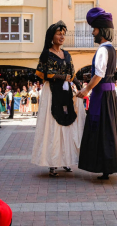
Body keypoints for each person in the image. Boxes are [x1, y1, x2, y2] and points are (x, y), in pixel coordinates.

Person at [31, 20, 85, 177]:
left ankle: (65, 160)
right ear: (51, 36)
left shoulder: (67, 55)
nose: (62, 36)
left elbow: (72, 74)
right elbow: (44, 74)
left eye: (63, 34)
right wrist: (63, 77)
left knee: (66, 126)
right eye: (59, 33)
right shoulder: (46, 54)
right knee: (52, 126)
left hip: (66, 93)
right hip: (52, 92)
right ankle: (52, 163)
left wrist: (80, 86)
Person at [77, 7, 117, 180]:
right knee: (109, 130)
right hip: (110, 96)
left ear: (102, 31)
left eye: (95, 30)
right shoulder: (112, 50)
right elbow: (107, 74)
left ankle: (102, 165)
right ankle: (108, 167)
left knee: (100, 129)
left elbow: (99, 74)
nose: (93, 33)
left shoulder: (102, 51)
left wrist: (86, 89)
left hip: (101, 97)